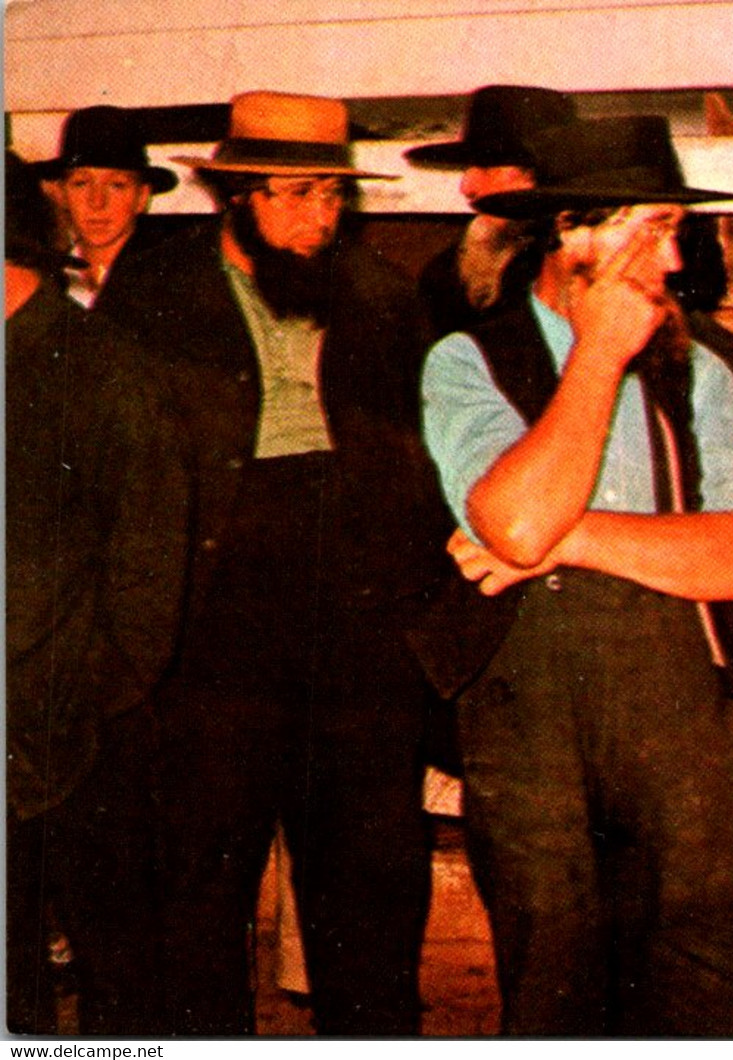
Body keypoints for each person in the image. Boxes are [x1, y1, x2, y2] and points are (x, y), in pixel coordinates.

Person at [419, 115, 733, 1035]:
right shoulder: (467, 361)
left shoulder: (702, 372)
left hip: (689, 726)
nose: (670, 262)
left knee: (700, 991)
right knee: (554, 986)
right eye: (649, 231)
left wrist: (566, 540)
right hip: (529, 720)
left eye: (675, 232)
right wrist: (594, 354)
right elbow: (512, 518)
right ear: (571, 233)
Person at [95, 91, 447, 1035]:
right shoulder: (156, 291)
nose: (318, 219)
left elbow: (422, 472)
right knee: (197, 893)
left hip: (359, 638)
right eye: (294, 196)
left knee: (369, 897)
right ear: (237, 195)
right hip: (211, 634)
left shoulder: (379, 295)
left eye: (332, 197)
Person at [6, 151, 188, 1035]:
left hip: (80, 735)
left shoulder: (103, 371)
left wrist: (89, 699)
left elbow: (150, 567)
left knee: (120, 983)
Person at [404, 84, 577, 336]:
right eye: (468, 168)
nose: (466, 187)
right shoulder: (444, 275)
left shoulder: (567, 272)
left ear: (533, 179)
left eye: (486, 169)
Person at [35, 105, 179, 309]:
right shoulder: (46, 283)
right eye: (81, 183)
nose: (97, 202)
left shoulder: (171, 283)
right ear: (61, 194)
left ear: (142, 197)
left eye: (116, 185)